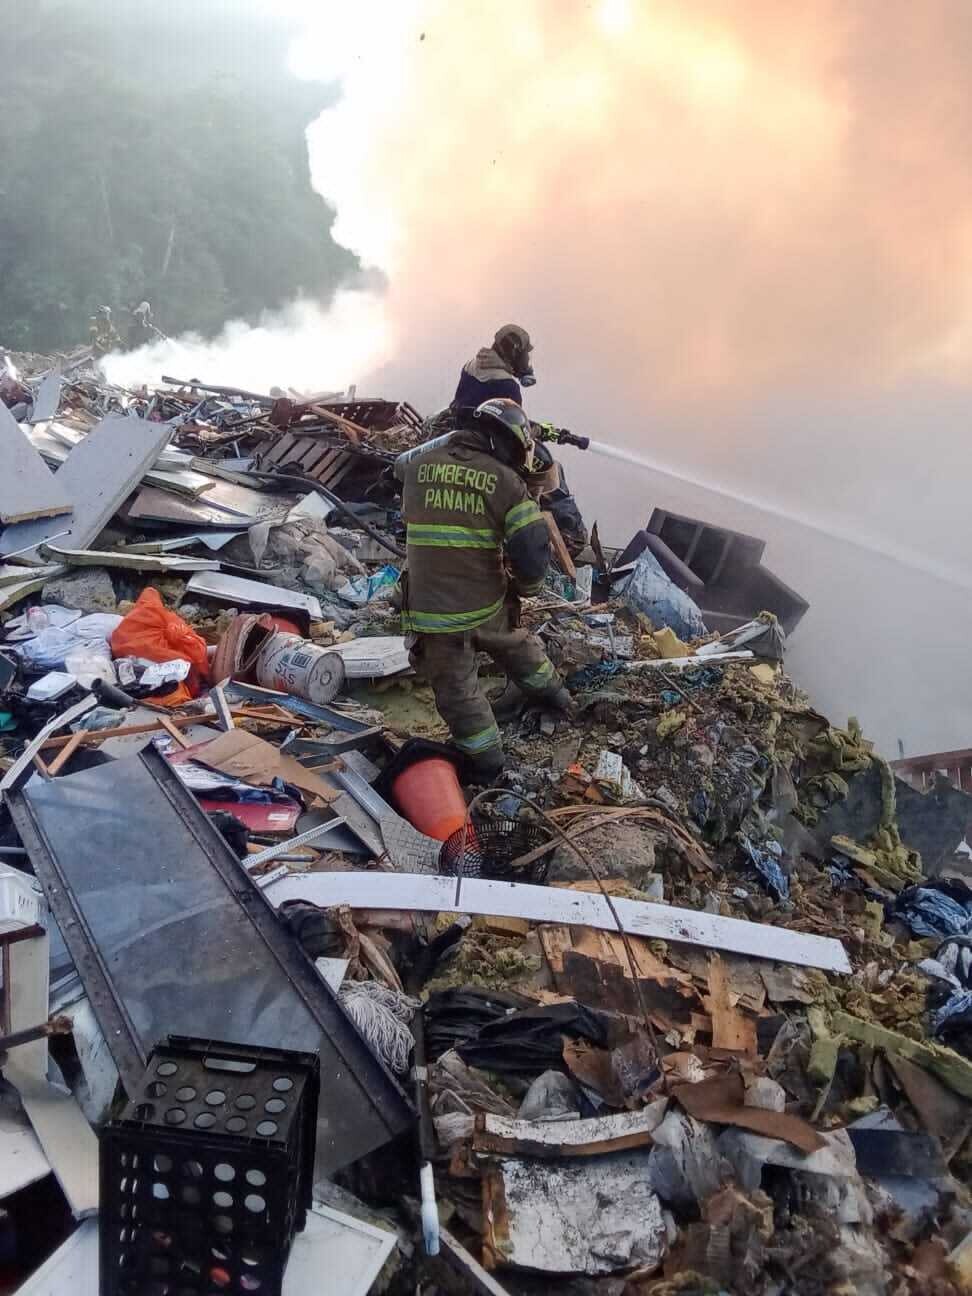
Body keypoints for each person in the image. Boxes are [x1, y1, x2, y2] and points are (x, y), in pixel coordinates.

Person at [400, 397, 571, 780]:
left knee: (457, 690)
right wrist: (527, 587)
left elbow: (410, 513)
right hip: (486, 603)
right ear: (510, 441)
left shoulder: (417, 466)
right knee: (515, 644)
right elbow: (531, 548)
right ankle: (556, 697)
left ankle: (486, 760)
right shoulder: (507, 482)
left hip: (434, 611)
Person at [452, 324, 536, 410]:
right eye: (524, 353)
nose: (526, 359)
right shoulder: (509, 387)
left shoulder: (468, 367)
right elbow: (515, 418)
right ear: (514, 352)